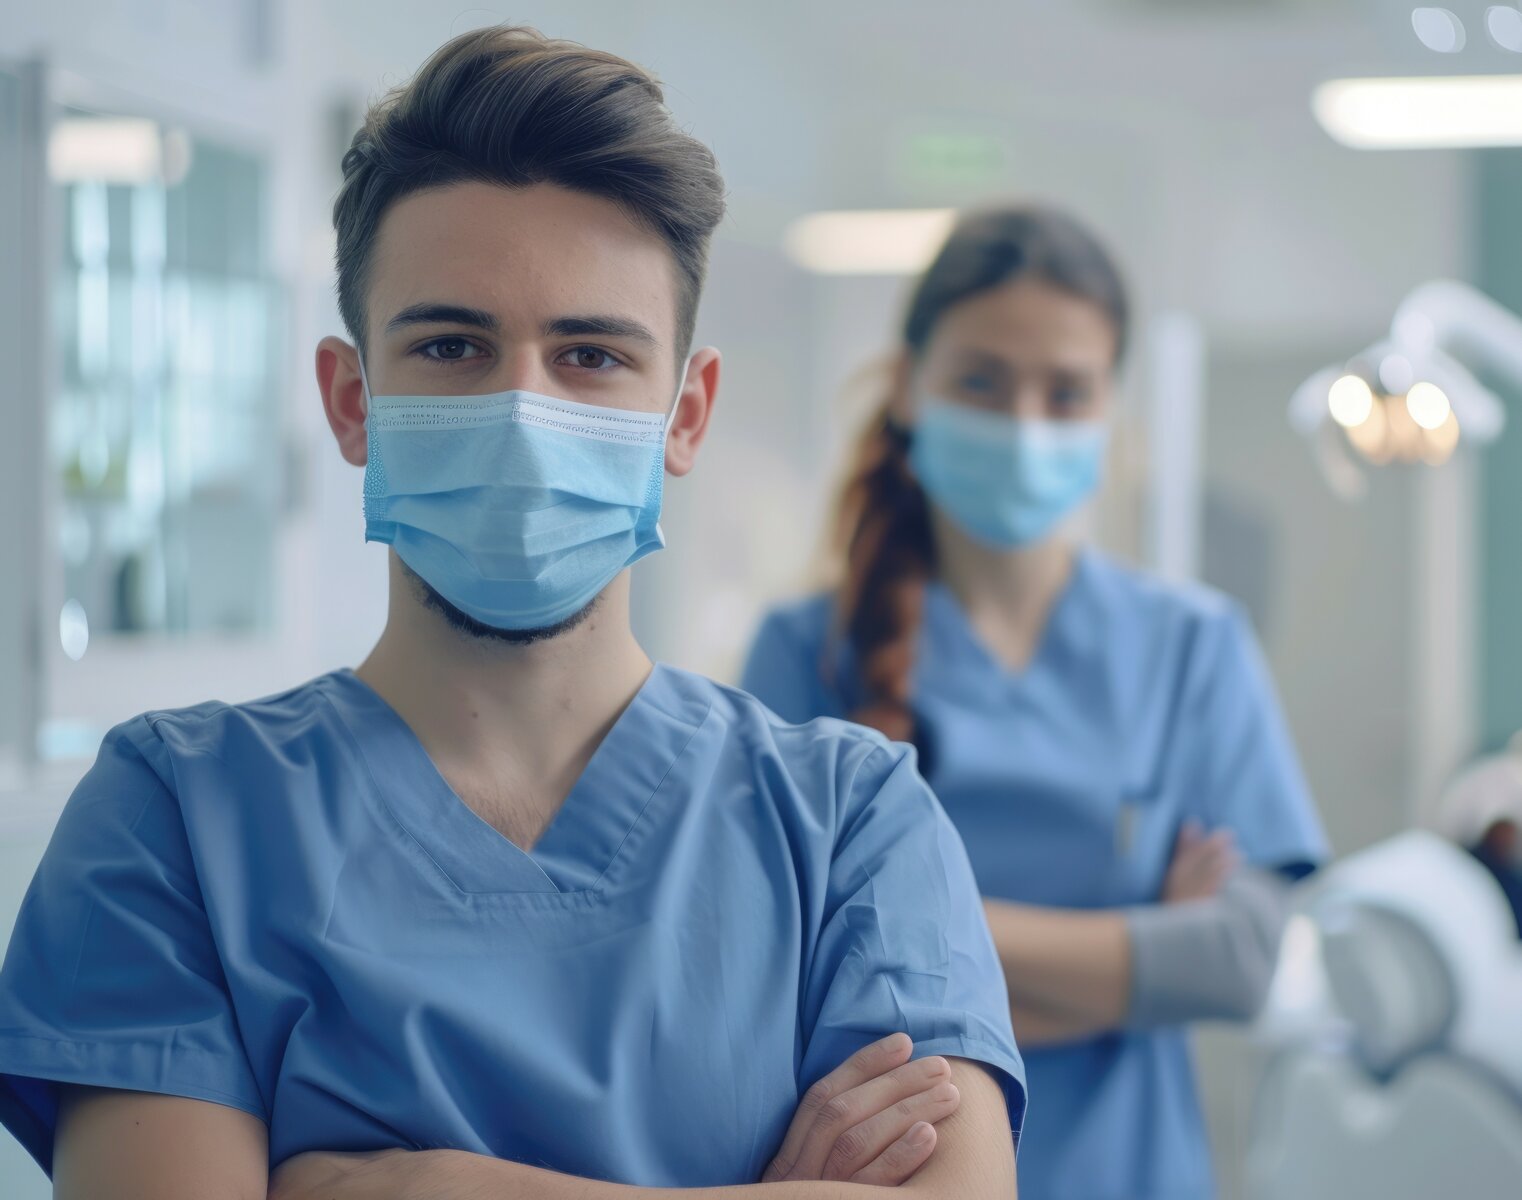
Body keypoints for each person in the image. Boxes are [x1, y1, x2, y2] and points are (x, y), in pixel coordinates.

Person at [0, 29, 1025, 1200]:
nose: (523, 411)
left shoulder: (850, 824)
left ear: (684, 416)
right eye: (450, 345)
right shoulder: (175, 817)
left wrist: (404, 1188)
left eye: (591, 356)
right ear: (352, 400)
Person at [741, 207, 1328, 1200]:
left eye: (1065, 391)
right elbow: (771, 962)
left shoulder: (1192, 646)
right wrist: (1136, 961)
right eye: (981, 380)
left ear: (1109, 412)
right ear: (906, 388)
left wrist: (905, 948)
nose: (1023, 422)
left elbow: (1235, 959)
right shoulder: (805, 654)